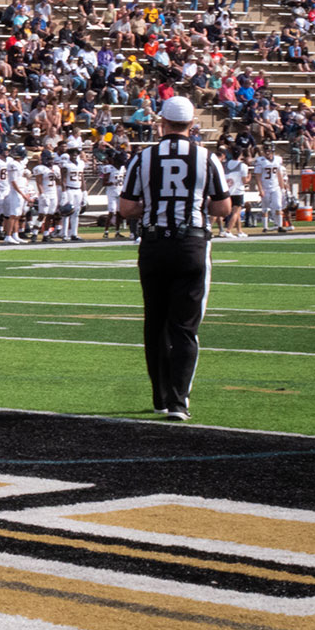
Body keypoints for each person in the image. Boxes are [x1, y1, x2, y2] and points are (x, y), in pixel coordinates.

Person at [118, 97, 231, 420]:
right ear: (192, 125)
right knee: (184, 327)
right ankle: (179, 402)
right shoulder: (206, 157)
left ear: (161, 124)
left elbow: (127, 208)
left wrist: (153, 207)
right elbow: (223, 208)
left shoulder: (143, 158)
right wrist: (194, 206)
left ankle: (160, 397)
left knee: (155, 324)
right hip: (191, 245)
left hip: (154, 245)